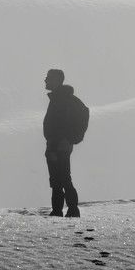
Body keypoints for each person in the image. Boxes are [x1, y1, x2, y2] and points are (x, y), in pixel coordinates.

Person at [43, 69, 88, 217]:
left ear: (56, 80)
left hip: (60, 146)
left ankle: (72, 209)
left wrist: (68, 139)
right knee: (57, 179)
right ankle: (59, 210)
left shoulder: (64, 100)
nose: (45, 80)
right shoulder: (59, 99)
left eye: (48, 78)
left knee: (62, 177)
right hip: (54, 145)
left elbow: (81, 115)